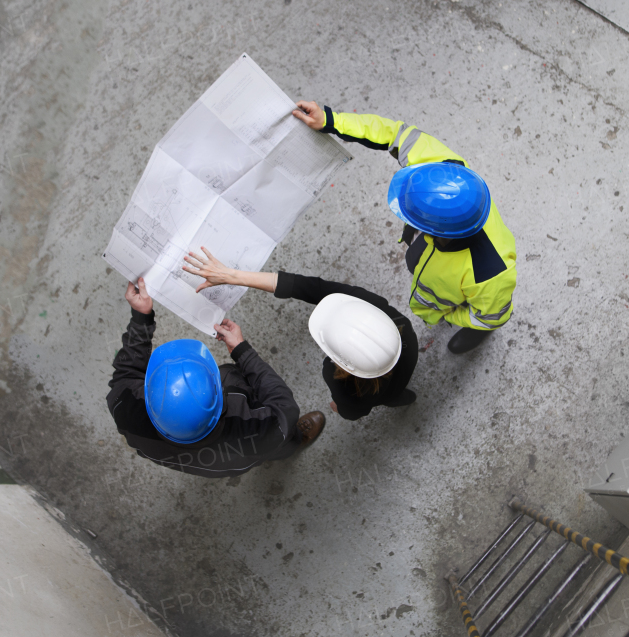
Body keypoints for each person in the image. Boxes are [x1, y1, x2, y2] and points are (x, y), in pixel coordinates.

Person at [289, 101, 517, 354]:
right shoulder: (445, 168)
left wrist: (452, 316)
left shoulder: (491, 274)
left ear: (436, 231)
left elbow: (491, 316)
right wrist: (332, 121)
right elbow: (395, 134)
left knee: (483, 320)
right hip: (431, 263)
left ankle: (477, 335)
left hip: (452, 301)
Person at [106, 277, 325, 477]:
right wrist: (242, 351)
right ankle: (291, 445)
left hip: (216, 464)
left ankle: (277, 449)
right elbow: (284, 408)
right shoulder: (258, 429)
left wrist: (141, 316)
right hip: (257, 444)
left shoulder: (126, 412)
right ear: (219, 405)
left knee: (268, 442)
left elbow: (126, 372)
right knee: (280, 438)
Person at [181, 247, 419, 419]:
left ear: (342, 364)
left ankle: (395, 397)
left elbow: (352, 412)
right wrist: (231, 276)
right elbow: (307, 287)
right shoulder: (401, 327)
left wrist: (339, 407)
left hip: (373, 393)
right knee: (393, 393)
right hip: (401, 370)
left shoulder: (340, 381)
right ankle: (399, 397)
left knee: (386, 396)